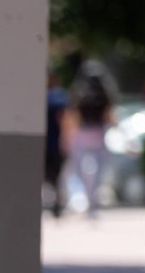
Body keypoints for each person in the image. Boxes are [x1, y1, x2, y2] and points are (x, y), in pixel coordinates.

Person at [62, 60, 119, 217]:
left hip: (82, 136)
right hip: (98, 136)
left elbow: (73, 117)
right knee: (99, 172)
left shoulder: (78, 92)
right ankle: (91, 202)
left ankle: (86, 199)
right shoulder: (105, 93)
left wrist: (67, 137)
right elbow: (110, 117)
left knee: (78, 171)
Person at [46, 72, 70, 218]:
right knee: (57, 177)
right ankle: (57, 203)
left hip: (47, 144)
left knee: (50, 177)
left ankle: (55, 203)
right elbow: (65, 119)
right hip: (55, 143)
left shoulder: (45, 96)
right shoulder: (60, 96)